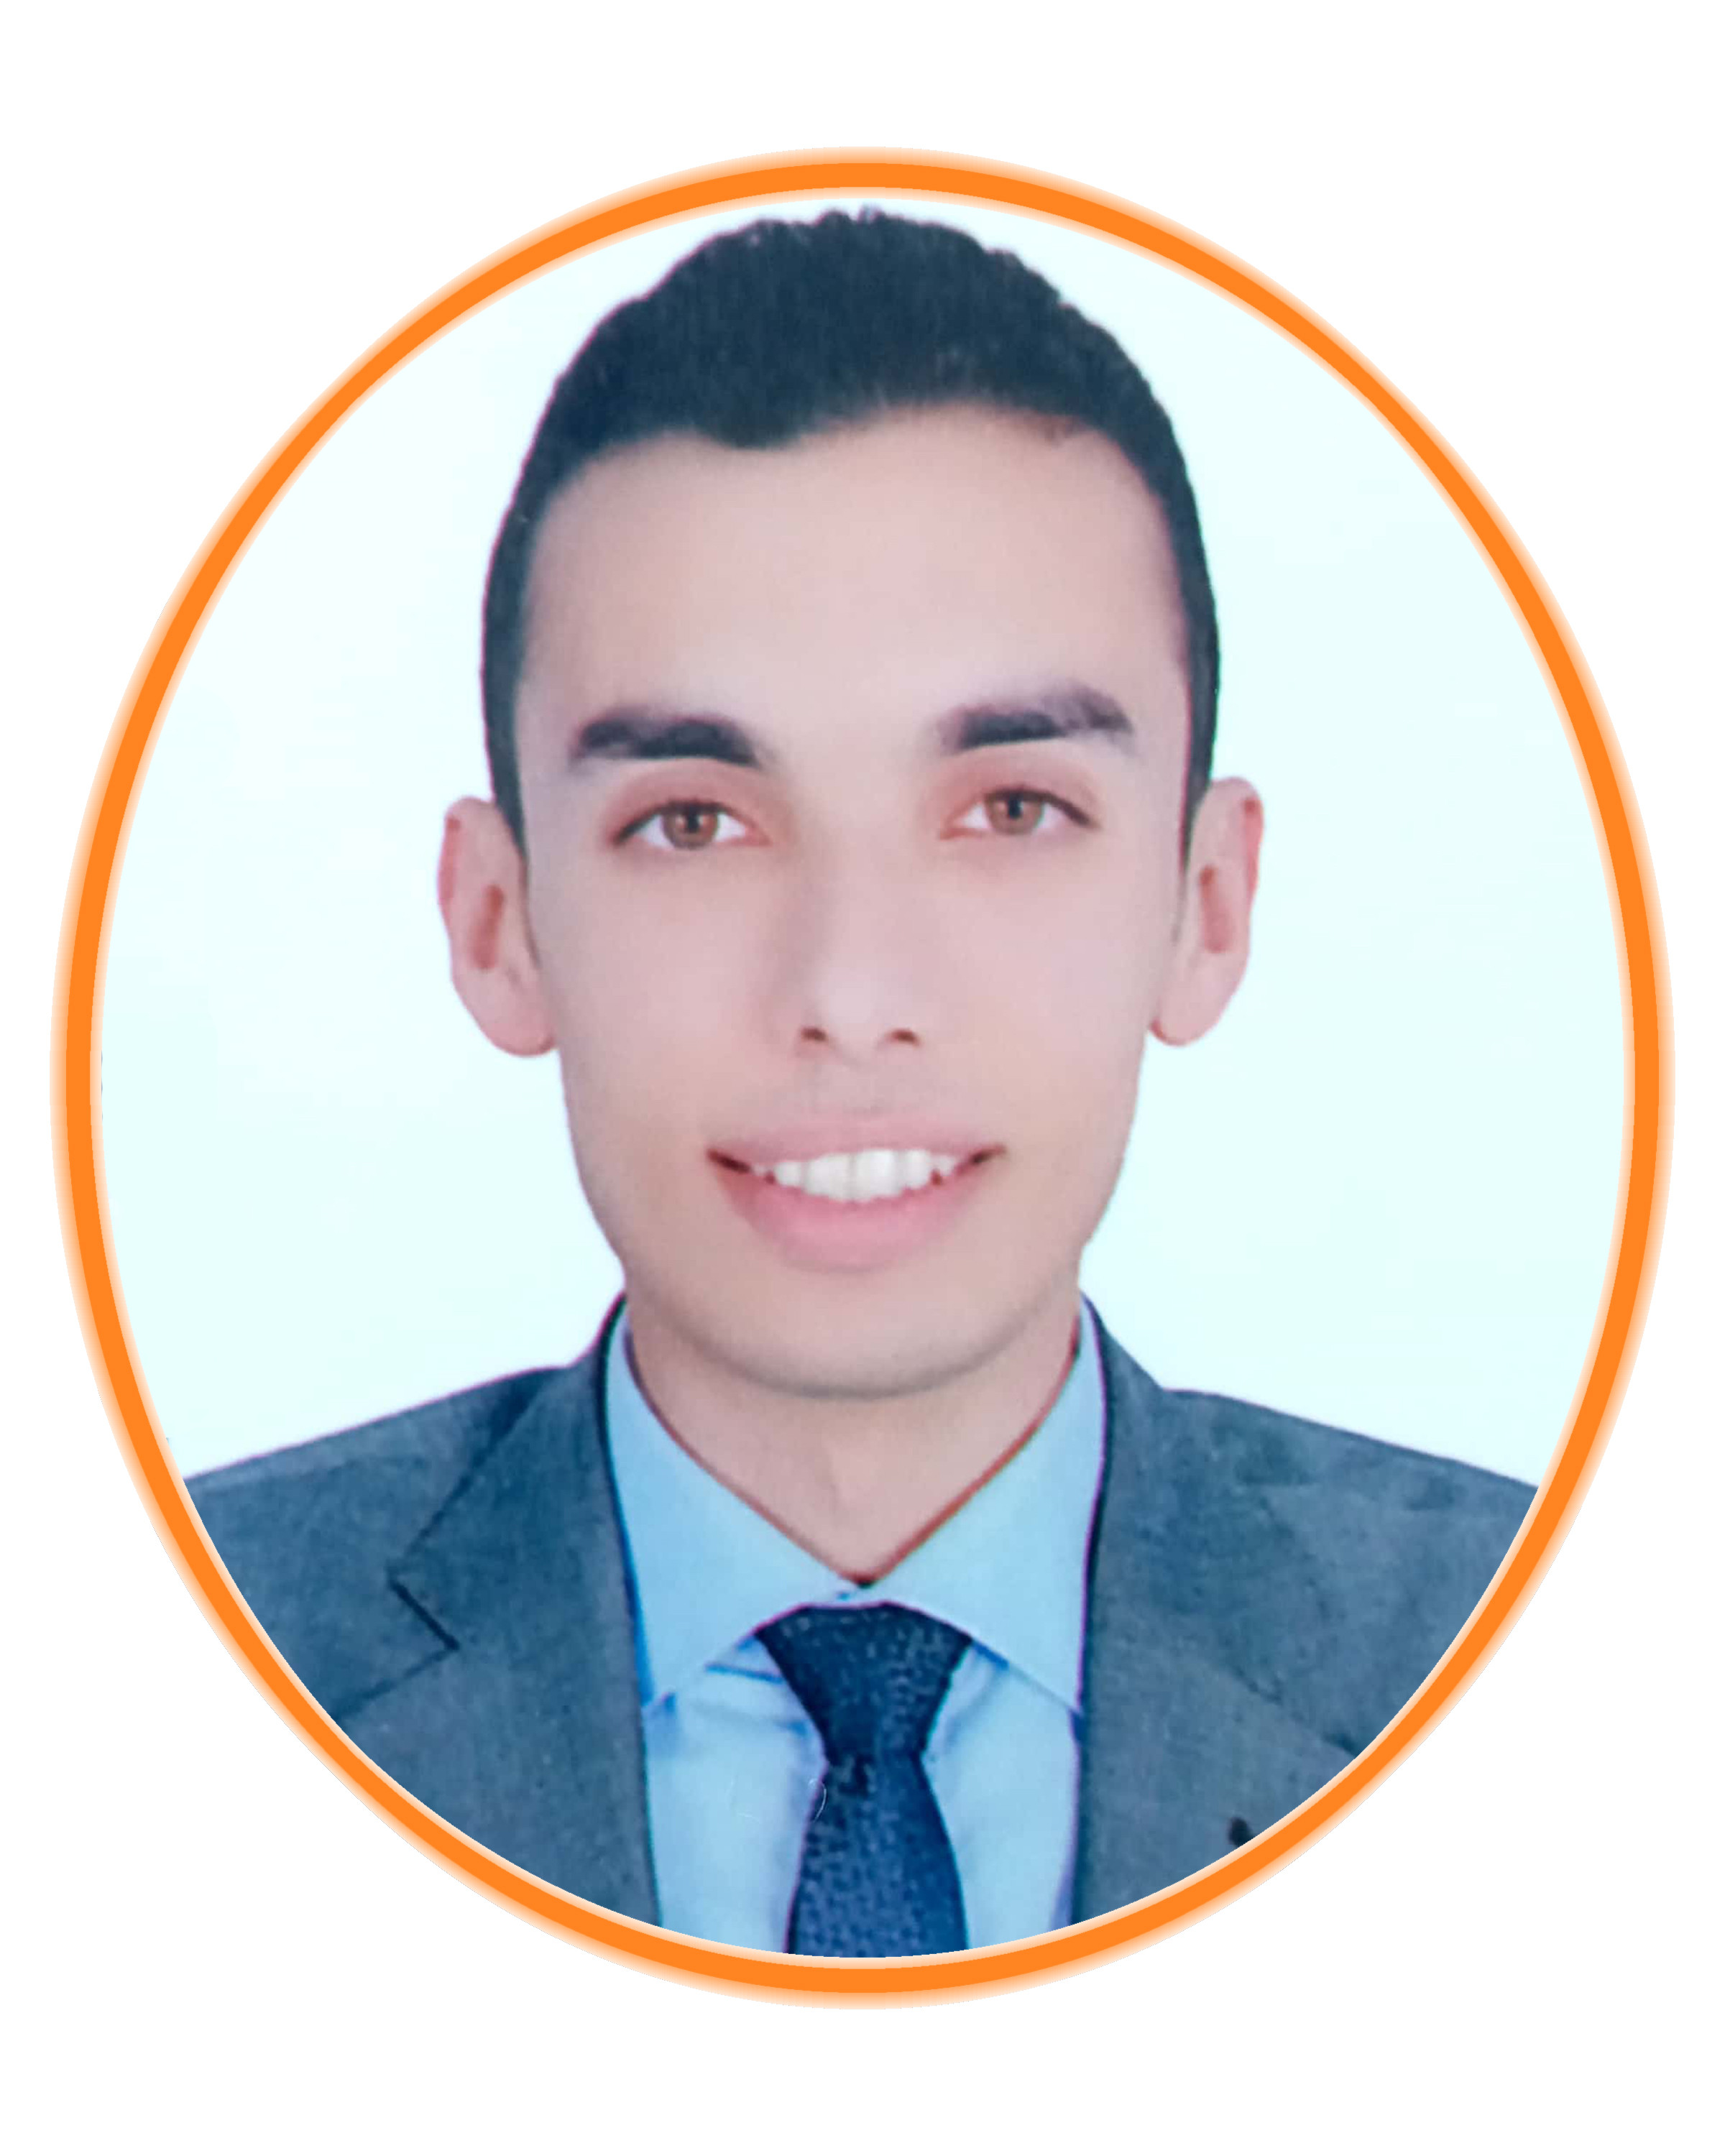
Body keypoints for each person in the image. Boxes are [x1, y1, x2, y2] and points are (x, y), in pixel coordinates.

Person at [188, 209, 1532, 1958]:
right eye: (693, 822)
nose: (849, 996)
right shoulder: (149, 1652)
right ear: (498, 924)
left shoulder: (1560, 1654)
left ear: (1206, 907)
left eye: (1012, 810)